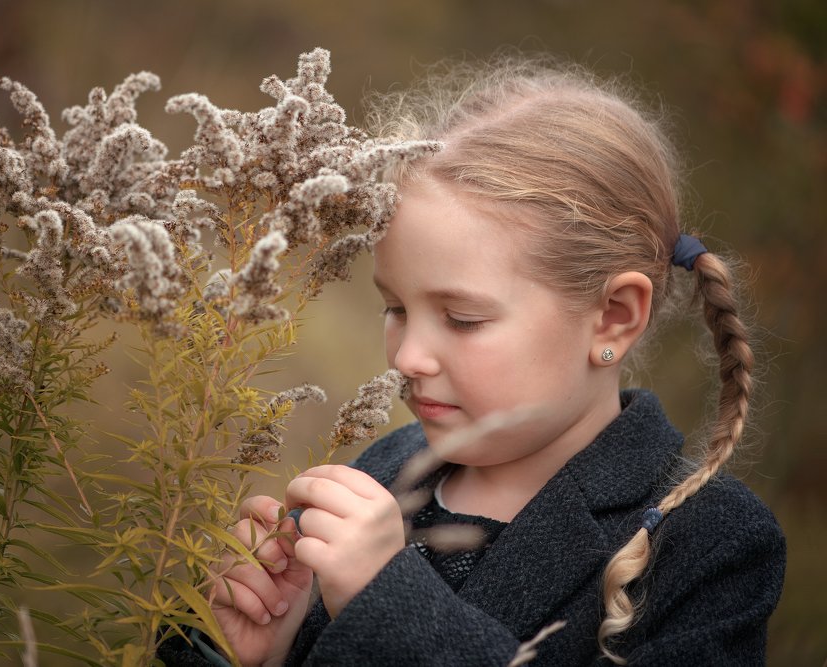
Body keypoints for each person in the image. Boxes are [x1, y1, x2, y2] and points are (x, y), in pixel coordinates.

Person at [166, 54, 786, 666]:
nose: (408, 357)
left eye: (463, 319)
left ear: (614, 316)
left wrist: (393, 607)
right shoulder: (382, 473)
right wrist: (247, 652)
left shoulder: (709, 543)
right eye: (394, 308)